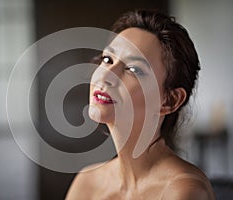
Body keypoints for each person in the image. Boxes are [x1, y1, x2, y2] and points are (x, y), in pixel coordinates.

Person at [66, 10, 215, 200]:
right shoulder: (87, 181)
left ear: (169, 100)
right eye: (107, 60)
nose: (106, 75)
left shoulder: (183, 191)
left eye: (133, 69)